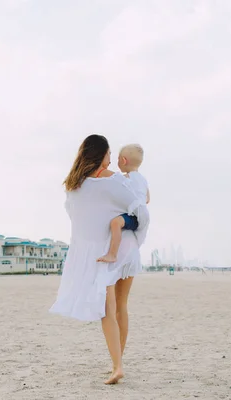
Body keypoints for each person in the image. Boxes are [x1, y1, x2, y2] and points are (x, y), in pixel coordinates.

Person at [49, 134, 149, 385]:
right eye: (109, 155)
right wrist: (133, 227)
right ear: (102, 155)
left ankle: (117, 365)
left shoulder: (73, 186)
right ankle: (118, 363)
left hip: (97, 253)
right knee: (119, 306)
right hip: (123, 247)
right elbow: (141, 205)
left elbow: (77, 220)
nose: (111, 160)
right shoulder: (113, 181)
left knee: (108, 309)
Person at [97, 144, 150, 264]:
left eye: (117, 159)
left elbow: (113, 182)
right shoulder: (143, 179)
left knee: (115, 223)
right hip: (142, 215)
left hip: (135, 217)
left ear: (123, 160)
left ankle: (112, 254)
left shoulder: (126, 178)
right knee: (117, 222)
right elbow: (147, 199)